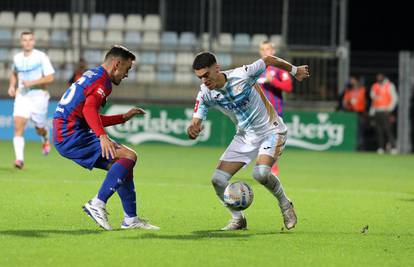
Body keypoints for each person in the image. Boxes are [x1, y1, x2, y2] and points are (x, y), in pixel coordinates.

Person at [187, 52, 310, 230]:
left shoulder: (242, 75)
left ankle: (285, 204)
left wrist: (295, 70)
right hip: (245, 137)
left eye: (206, 75)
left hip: (271, 130)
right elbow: (196, 121)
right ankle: (238, 219)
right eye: (200, 77)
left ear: (217, 69)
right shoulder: (206, 94)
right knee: (218, 180)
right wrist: (193, 129)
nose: (204, 80)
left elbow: (268, 60)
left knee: (260, 174)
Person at [53, 45, 159, 231]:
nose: (126, 75)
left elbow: (87, 115)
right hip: (71, 135)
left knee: (122, 166)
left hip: (66, 133)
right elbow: (89, 110)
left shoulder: (92, 75)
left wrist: (122, 117)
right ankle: (97, 203)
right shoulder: (103, 82)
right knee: (129, 156)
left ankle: (130, 219)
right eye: (127, 69)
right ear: (117, 64)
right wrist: (102, 136)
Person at [8, 31, 55, 169]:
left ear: (33, 42)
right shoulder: (16, 58)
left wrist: (32, 82)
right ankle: (19, 160)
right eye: (24, 40)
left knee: (39, 128)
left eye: (30, 40)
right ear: (21, 42)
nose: (27, 42)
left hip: (39, 96)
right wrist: (12, 86)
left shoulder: (41, 57)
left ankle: (45, 136)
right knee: (18, 125)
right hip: (22, 95)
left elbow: (50, 77)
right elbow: (14, 73)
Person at [257, 40, 293, 175]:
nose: (265, 52)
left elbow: (289, 87)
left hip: (275, 112)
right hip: (258, 113)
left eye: (268, 49)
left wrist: (273, 81)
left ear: (273, 51)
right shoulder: (256, 69)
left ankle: (273, 168)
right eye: (262, 49)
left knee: (273, 140)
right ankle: (265, 167)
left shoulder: (280, 69)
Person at [369, 73, 398, 154]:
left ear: (383, 77)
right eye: (377, 77)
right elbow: (373, 100)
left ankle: (393, 147)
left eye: (380, 77)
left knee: (388, 129)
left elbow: (394, 98)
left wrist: (390, 109)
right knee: (378, 130)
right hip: (377, 110)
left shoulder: (389, 85)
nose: (378, 78)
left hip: (385, 111)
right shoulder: (375, 86)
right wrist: (372, 111)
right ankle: (381, 147)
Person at [342, 75, 367, 150]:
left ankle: (361, 148)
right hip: (351, 113)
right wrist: (348, 104)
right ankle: (351, 147)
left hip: (360, 113)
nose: (351, 81)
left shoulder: (363, 90)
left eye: (352, 80)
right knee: (351, 130)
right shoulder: (348, 91)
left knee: (360, 131)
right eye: (350, 80)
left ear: (357, 81)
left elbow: (366, 102)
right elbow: (344, 103)